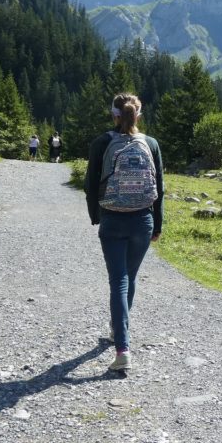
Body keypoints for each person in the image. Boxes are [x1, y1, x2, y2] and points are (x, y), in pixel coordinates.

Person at [84, 93, 164, 372]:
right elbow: (160, 189)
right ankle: (119, 332)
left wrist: (97, 217)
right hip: (143, 221)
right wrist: (158, 225)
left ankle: (122, 349)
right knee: (129, 278)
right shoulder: (150, 144)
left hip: (113, 220)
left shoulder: (102, 143)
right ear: (138, 115)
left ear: (113, 115)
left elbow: (91, 184)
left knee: (118, 280)